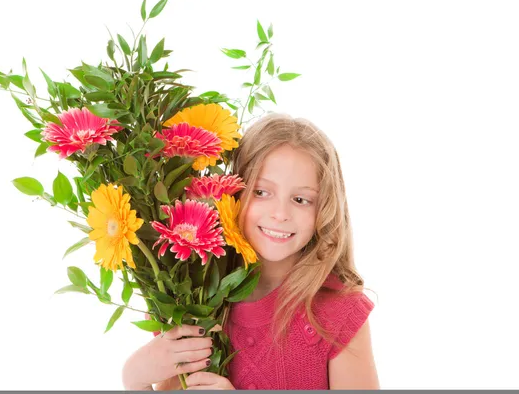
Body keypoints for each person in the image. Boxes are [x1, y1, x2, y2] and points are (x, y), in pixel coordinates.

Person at [121, 113, 379, 390]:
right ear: (232, 193)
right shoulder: (187, 299)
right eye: (261, 192)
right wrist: (135, 378)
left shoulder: (339, 313)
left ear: (325, 209)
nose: (280, 214)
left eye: (301, 199)